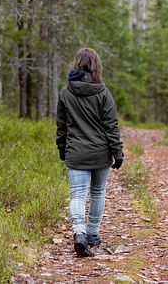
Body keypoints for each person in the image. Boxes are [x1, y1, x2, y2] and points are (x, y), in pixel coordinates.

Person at [56, 47, 124, 257]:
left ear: (77, 64)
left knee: (77, 194)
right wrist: (117, 152)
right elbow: (111, 125)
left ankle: (79, 234)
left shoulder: (65, 93)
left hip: (76, 153)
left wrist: (62, 148)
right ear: (96, 66)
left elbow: (62, 126)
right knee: (97, 192)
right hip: (101, 153)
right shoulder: (103, 92)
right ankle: (92, 234)